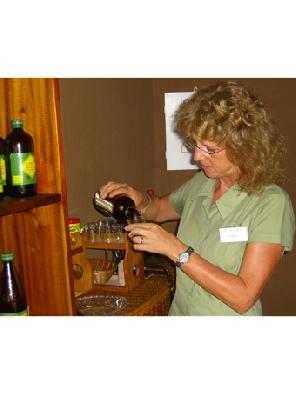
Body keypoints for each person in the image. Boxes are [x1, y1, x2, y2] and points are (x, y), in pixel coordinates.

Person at [99, 81, 295, 316]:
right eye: (195, 144)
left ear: (244, 147)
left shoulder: (271, 203)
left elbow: (243, 297)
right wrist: (139, 199)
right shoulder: (203, 182)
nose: (197, 156)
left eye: (209, 149)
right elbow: (160, 209)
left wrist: (175, 249)